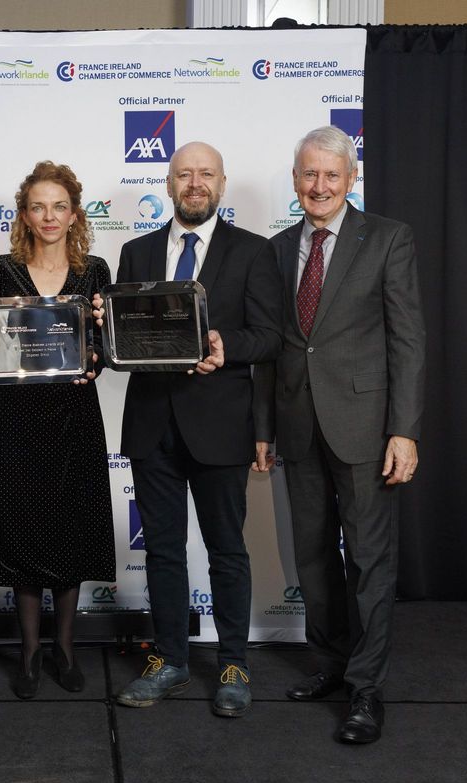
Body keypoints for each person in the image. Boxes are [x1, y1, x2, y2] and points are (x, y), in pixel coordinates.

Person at [253, 125, 425, 744]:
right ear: (295, 179)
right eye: (309, 173)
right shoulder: (275, 250)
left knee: (370, 563)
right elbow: (271, 347)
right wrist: (263, 426)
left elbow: (407, 340)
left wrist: (404, 430)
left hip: (366, 429)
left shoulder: (388, 238)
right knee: (313, 557)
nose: (319, 185)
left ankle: (366, 689)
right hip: (297, 426)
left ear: (352, 178)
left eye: (331, 174)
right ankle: (330, 662)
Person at [99, 141, 283, 717]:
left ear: (221, 184)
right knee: (162, 551)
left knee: (227, 550)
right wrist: (105, 332)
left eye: (206, 174)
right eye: (184, 174)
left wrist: (226, 348)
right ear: (170, 183)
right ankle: (171, 660)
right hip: (151, 424)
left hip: (221, 425)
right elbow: (118, 346)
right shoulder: (135, 252)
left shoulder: (253, 251)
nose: (195, 183)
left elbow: (269, 337)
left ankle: (233, 664)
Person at [0, 161, 116, 699]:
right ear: (25, 215)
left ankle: (66, 648)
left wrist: (96, 357)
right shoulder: (2, 270)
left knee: (71, 529)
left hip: (76, 416)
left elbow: (104, 347)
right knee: (23, 529)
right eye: (38, 207)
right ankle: (30, 653)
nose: (49, 216)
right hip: (18, 417)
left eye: (59, 206)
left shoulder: (95, 271)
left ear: (74, 214)